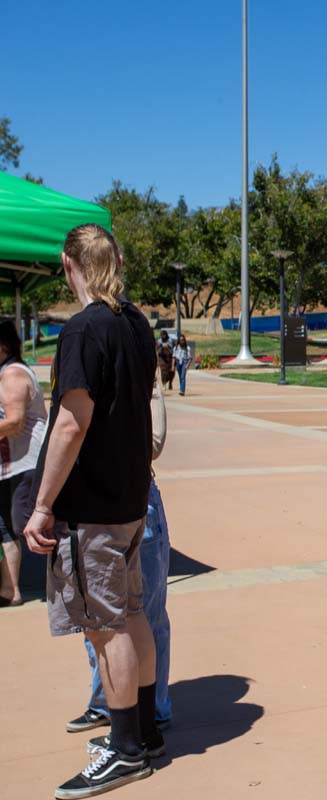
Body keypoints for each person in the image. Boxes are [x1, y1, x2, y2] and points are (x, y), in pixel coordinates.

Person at [24, 223, 160, 798]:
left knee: (106, 626)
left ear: (67, 264)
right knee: (131, 614)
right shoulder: (137, 324)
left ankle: (127, 750)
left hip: (94, 506)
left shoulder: (83, 330)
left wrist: (42, 504)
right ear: (118, 260)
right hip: (130, 499)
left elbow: (72, 423)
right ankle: (143, 731)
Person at [69, 370, 174, 735]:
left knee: (146, 614)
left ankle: (153, 708)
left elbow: (154, 441)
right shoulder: (86, 367)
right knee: (97, 620)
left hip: (134, 499)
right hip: (93, 504)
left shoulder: (141, 372)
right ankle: (106, 702)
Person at [0, 320, 48, 607]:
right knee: (6, 527)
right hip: (10, 466)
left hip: (25, 465)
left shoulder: (13, 375)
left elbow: (15, 422)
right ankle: (11, 590)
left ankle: (67, 579)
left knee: (28, 525)